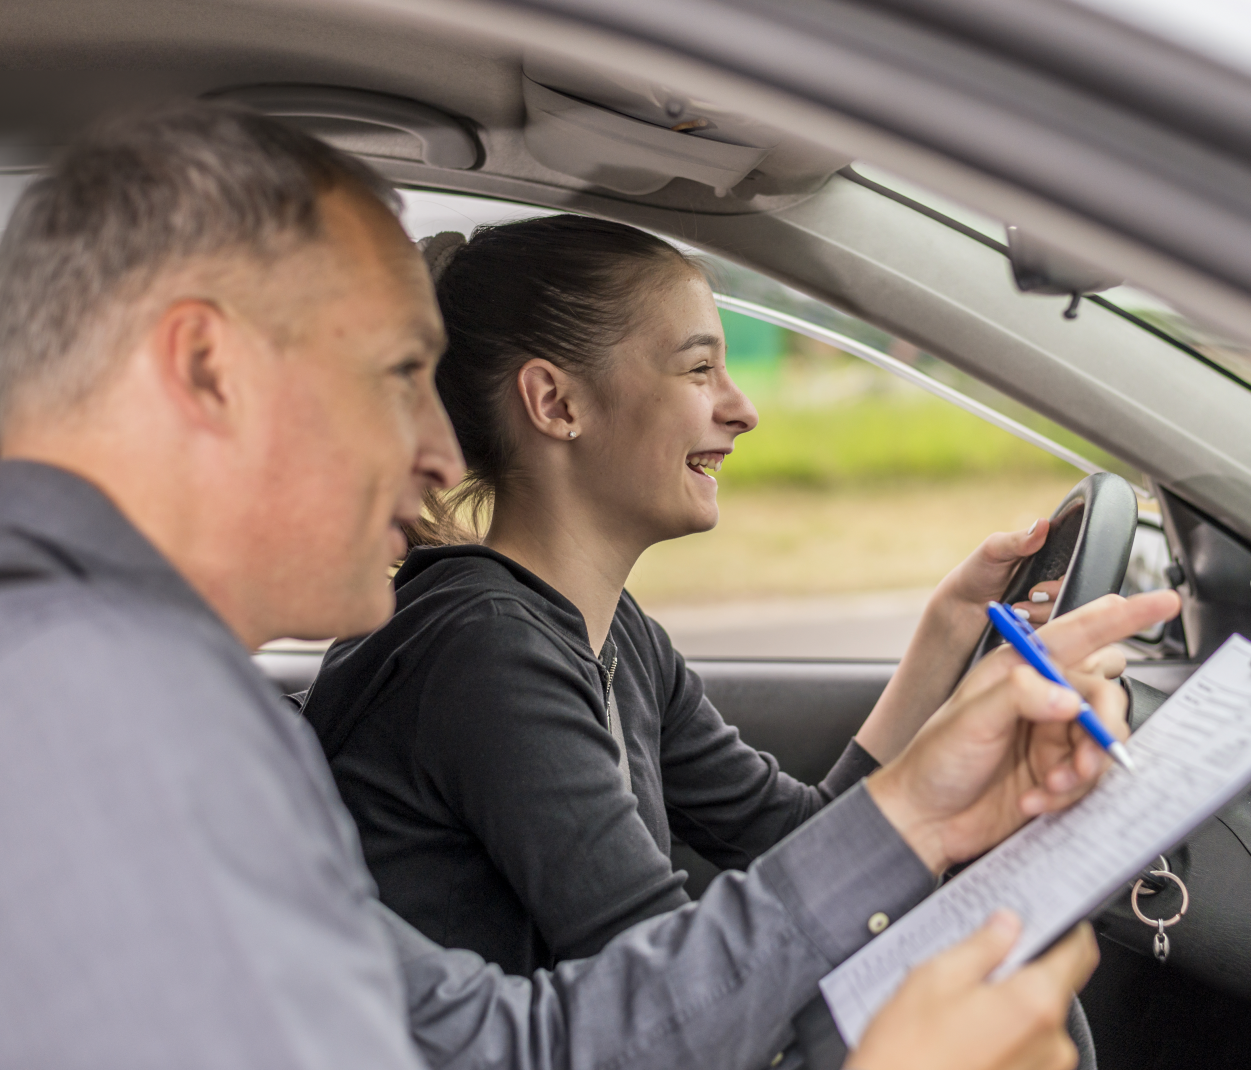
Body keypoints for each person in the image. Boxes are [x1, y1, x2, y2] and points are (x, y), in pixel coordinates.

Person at [0, 102, 1179, 1070]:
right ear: (209, 372)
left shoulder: (147, 697)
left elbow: (506, 1044)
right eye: (395, 376)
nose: (437, 451)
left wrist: (919, 804)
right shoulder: (46, 733)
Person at [303, 214, 1084, 977]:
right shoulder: (487, 652)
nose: (743, 409)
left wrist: (951, 626)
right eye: (699, 369)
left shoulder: (615, 634)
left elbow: (796, 838)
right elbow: (673, 984)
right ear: (556, 404)